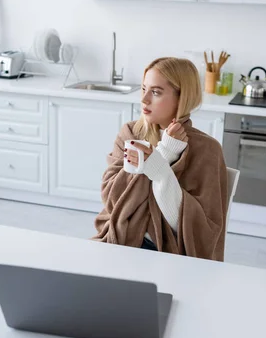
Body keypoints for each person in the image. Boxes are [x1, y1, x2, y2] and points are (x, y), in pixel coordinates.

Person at [93, 57, 230, 261]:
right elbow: (113, 199)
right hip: (120, 241)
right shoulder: (131, 133)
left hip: (169, 255)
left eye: (156, 92)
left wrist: (160, 168)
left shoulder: (207, 150)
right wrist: (165, 154)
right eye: (143, 89)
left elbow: (199, 233)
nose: (144, 99)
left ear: (182, 97)